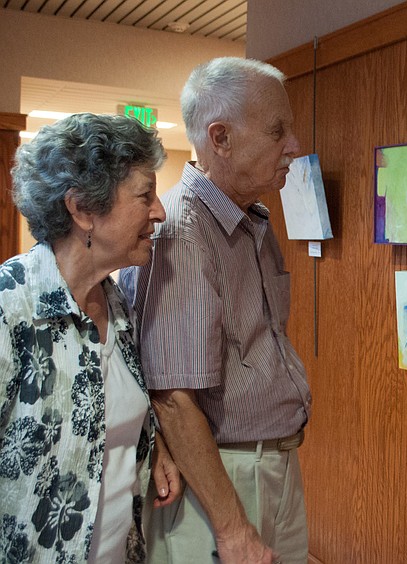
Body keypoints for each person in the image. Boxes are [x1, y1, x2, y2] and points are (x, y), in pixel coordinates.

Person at [120, 57, 312, 564]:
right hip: (223, 481)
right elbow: (173, 399)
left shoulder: (253, 222)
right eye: (278, 131)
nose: (294, 145)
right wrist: (233, 529)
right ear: (220, 138)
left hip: (274, 466)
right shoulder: (183, 232)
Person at [0, 113, 181, 563]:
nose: (160, 212)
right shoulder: (11, 307)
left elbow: (104, 420)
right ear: (82, 209)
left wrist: (151, 444)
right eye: (144, 195)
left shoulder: (116, 303)